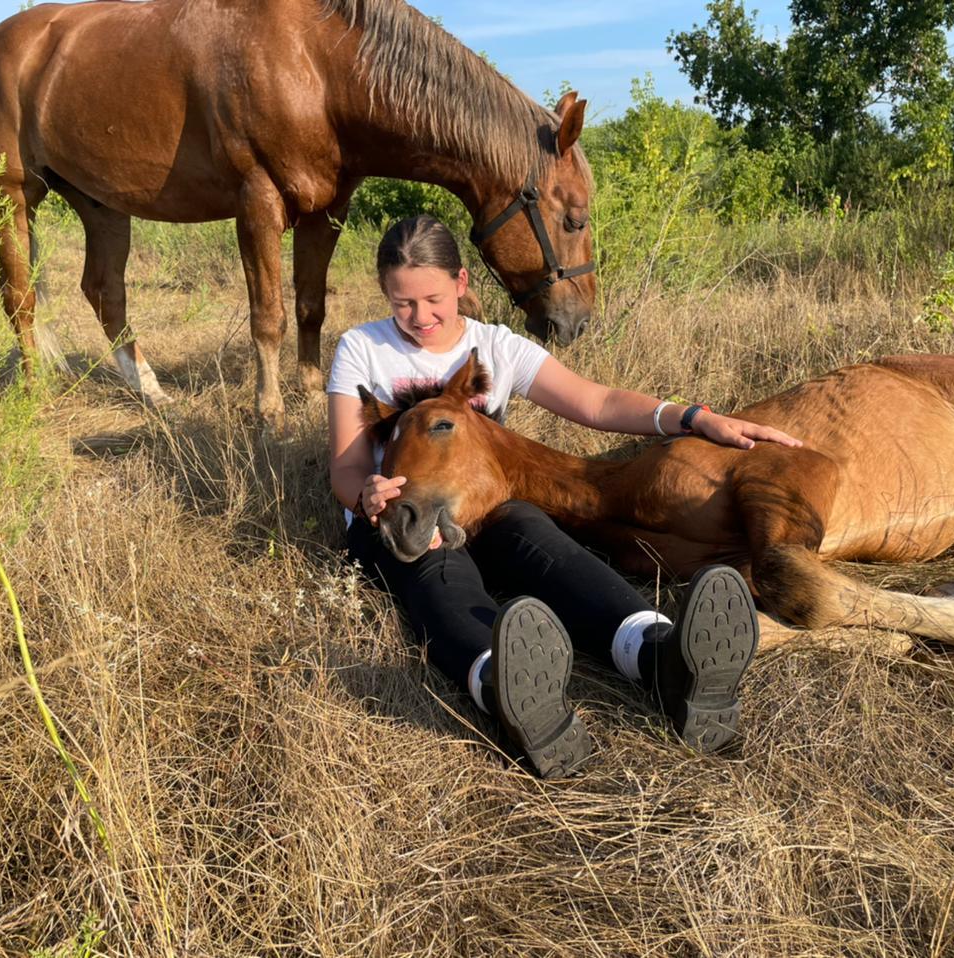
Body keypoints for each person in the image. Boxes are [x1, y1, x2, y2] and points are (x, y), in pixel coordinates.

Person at [327, 214, 801, 778]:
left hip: (485, 507)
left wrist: (694, 417)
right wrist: (369, 496)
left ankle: (662, 657)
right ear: (385, 294)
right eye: (402, 303)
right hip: (401, 513)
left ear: (460, 283)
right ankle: (500, 686)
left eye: (433, 299)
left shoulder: (495, 346)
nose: (420, 318)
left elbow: (596, 404)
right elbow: (347, 466)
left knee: (538, 536)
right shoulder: (362, 347)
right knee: (436, 568)